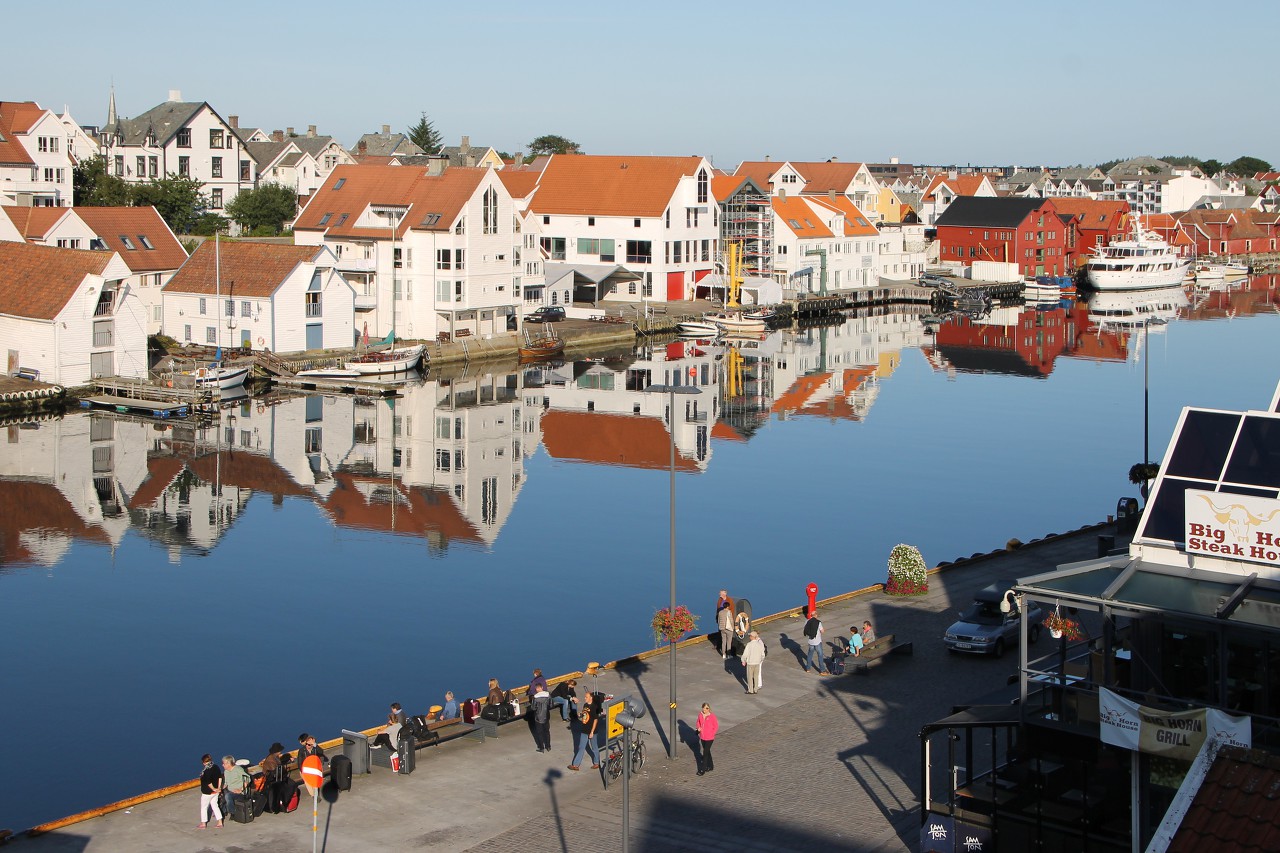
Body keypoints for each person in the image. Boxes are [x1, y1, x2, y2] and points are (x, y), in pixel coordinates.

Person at [568, 692, 602, 771]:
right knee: (581, 747)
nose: (585, 698)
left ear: (591, 698)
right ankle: (576, 765)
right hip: (584, 729)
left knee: (594, 747)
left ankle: (596, 763)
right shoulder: (585, 705)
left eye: (586, 697)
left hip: (592, 730)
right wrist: (581, 715)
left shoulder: (595, 707)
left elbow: (595, 720)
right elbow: (585, 714)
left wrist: (592, 732)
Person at [260, 742, 290, 814]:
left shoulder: (275, 757)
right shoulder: (271, 760)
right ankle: (280, 806)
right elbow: (275, 771)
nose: (280, 752)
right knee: (288, 786)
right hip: (271, 780)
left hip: (276, 778)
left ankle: (282, 805)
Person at [197, 754, 223, 829]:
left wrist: (213, 789)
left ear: (204, 762)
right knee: (215, 806)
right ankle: (220, 822)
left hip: (207, 792)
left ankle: (203, 823)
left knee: (204, 807)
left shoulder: (206, 771)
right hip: (216, 792)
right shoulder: (216, 767)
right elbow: (220, 777)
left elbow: (208, 782)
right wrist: (218, 788)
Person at [803, 610, 830, 674]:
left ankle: (808, 668)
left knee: (810, 655)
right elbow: (822, 631)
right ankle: (822, 670)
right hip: (817, 641)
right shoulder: (818, 622)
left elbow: (805, 630)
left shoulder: (807, 621)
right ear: (816, 615)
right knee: (820, 655)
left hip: (810, 641)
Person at [695, 703, 719, 776]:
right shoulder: (700, 715)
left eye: (707, 708)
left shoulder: (712, 716)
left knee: (705, 753)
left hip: (710, 738)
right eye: (705, 708)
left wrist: (712, 733)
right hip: (702, 737)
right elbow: (698, 722)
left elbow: (716, 726)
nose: (706, 710)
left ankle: (702, 769)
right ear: (702, 708)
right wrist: (698, 727)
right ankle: (711, 766)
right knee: (707, 751)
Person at [531, 686, 552, 753]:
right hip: (546, 716)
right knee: (547, 731)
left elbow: (533, 708)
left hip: (538, 717)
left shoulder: (535, 697)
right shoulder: (548, 695)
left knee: (539, 733)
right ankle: (548, 746)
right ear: (542, 687)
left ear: (537, 689)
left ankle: (541, 747)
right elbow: (551, 705)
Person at [716, 590, 736, 659]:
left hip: (722, 628)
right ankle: (729, 654)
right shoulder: (729, 612)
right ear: (728, 606)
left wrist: (720, 626)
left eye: (720, 593)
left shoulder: (720, 612)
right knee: (729, 642)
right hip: (728, 628)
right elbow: (731, 620)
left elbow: (718, 619)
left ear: (724, 594)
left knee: (723, 641)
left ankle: (723, 654)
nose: (719, 594)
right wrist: (733, 628)